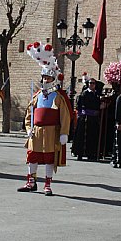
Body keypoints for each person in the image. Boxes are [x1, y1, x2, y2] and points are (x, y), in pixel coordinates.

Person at [18, 42, 71, 196]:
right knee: (32, 156)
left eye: (48, 78)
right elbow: (29, 114)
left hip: (50, 132)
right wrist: (28, 129)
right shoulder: (37, 96)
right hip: (36, 132)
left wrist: (63, 133)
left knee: (49, 158)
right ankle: (30, 182)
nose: (46, 80)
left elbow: (65, 116)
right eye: (44, 77)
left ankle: (47, 184)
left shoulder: (59, 97)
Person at [72, 75, 102, 162]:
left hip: (94, 119)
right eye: (90, 83)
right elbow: (80, 106)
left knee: (92, 136)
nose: (92, 85)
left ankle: (91, 153)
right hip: (85, 118)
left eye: (93, 83)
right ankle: (80, 153)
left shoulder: (96, 94)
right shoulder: (84, 93)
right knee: (82, 137)